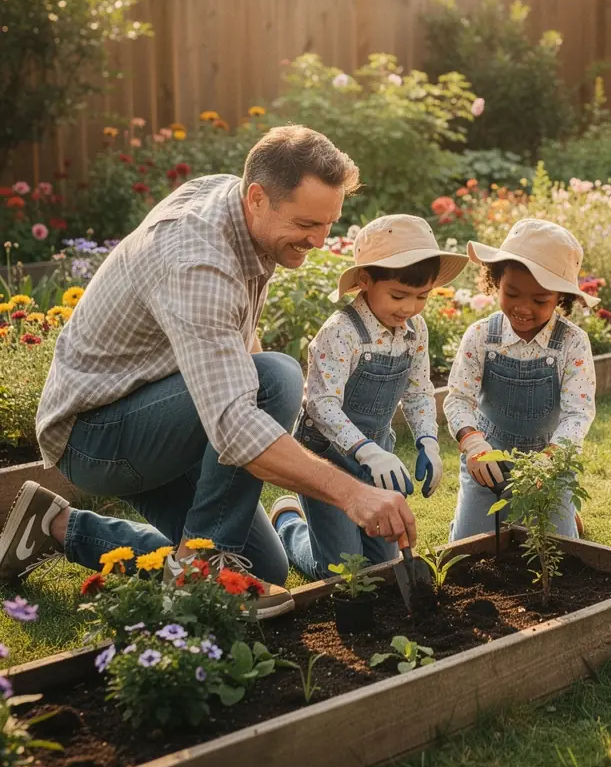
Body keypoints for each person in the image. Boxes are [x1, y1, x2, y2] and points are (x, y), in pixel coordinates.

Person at [0, 126, 418, 618]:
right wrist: (354, 495)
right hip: (97, 433)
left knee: (262, 570)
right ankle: (202, 569)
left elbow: (232, 342)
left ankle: (57, 524)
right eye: (308, 222)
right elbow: (236, 424)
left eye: (330, 223)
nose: (320, 240)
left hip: (161, 412)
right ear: (258, 198)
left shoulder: (239, 207)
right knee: (275, 379)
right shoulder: (196, 258)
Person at [269, 215, 467, 578]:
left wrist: (428, 442)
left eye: (421, 296)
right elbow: (321, 404)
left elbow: (419, 390)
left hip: (379, 455)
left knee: (384, 567)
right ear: (365, 281)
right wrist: (366, 451)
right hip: (326, 456)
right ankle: (288, 523)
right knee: (342, 571)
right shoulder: (341, 332)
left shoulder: (414, 330)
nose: (409, 308)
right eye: (398, 295)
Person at [445, 218, 598, 541]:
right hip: (488, 459)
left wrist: (552, 458)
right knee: (467, 550)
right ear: (495, 280)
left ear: (561, 298)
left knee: (556, 549)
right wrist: (472, 442)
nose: (523, 308)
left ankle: (566, 515)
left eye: (540, 301)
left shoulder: (572, 343)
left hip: (550, 463)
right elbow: (458, 397)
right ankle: (472, 517)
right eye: (512, 293)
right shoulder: (481, 336)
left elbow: (577, 413)